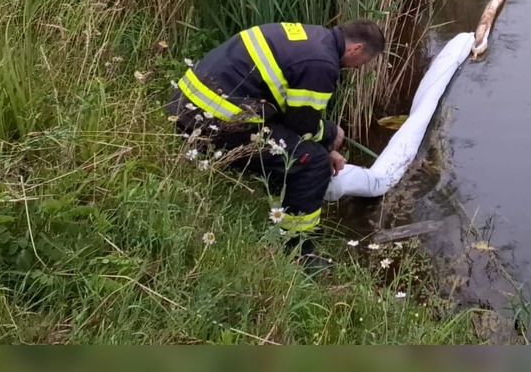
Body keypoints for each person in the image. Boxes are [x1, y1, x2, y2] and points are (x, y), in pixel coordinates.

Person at [165, 19, 385, 271]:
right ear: (355, 49)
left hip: (186, 106)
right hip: (215, 121)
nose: (359, 69)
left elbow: (287, 113)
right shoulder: (322, 65)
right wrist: (332, 136)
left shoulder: (305, 36)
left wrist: (326, 145)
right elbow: (303, 124)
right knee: (310, 163)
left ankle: (278, 206)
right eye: (364, 62)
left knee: (298, 149)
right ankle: (298, 254)